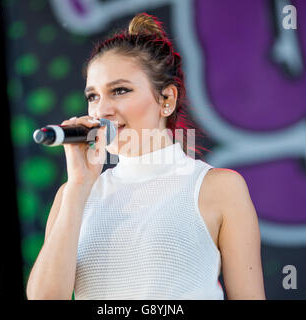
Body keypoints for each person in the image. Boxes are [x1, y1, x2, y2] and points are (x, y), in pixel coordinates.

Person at [26, 13, 265, 300]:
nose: (101, 111)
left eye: (120, 91)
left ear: (166, 100)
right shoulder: (72, 195)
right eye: (93, 96)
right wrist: (78, 185)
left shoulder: (219, 187)